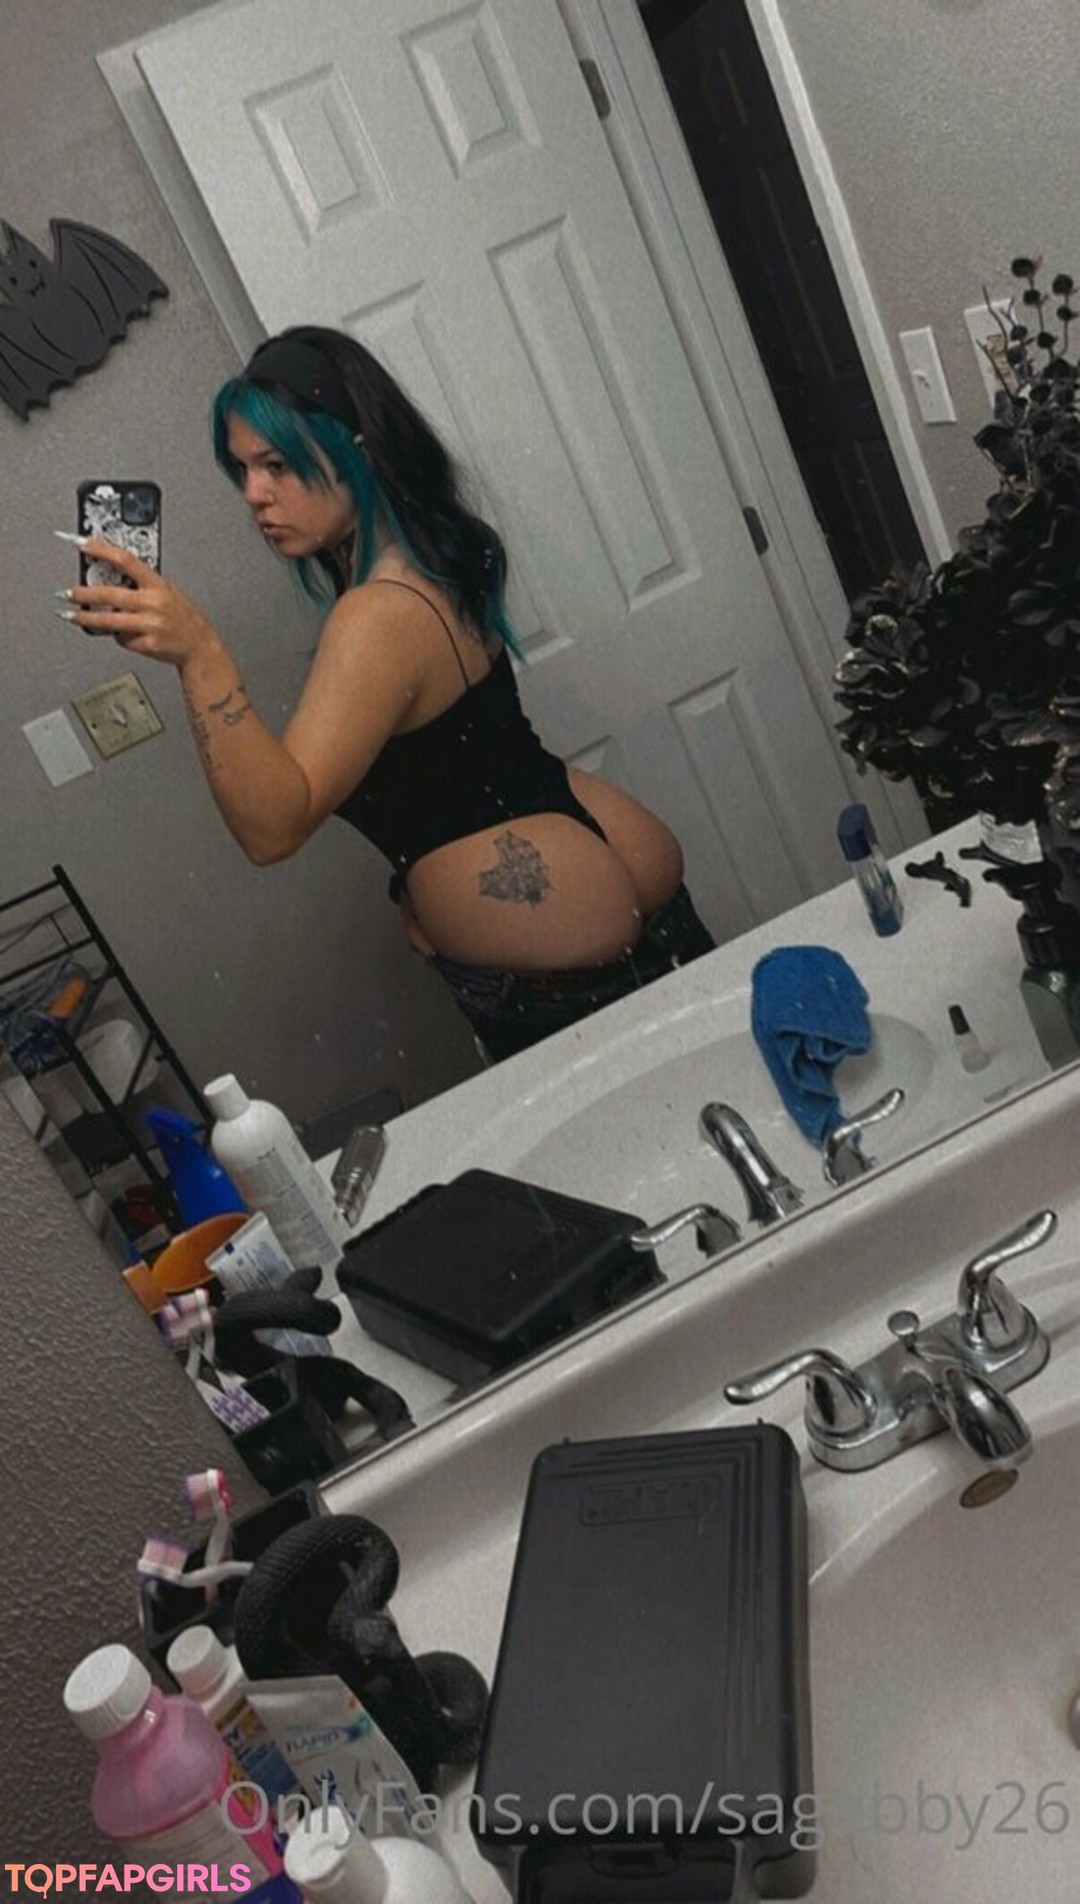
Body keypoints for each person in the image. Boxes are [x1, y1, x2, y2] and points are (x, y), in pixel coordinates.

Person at [58, 325, 716, 1061]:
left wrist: (199, 655)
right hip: (633, 885)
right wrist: (420, 883)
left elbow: (272, 829)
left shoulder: (373, 617)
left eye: (276, 464)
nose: (254, 494)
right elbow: (454, 765)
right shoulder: (446, 549)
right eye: (241, 469)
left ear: (359, 448)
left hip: (563, 961)